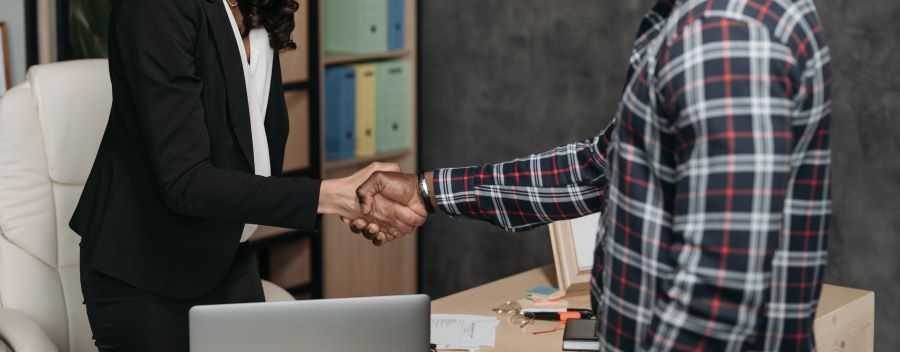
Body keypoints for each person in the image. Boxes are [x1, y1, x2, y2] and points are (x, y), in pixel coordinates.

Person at [352, 0, 832, 350]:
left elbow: (722, 287)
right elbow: (596, 167)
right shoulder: (696, 23)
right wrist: (429, 191)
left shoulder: (726, 36)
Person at [69, 0, 421, 350]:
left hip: (223, 255)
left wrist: (355, 200)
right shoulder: (154, 9)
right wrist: (332, 197)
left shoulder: (259, 8)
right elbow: (184, 181)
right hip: (146, 268)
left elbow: (249, 151)